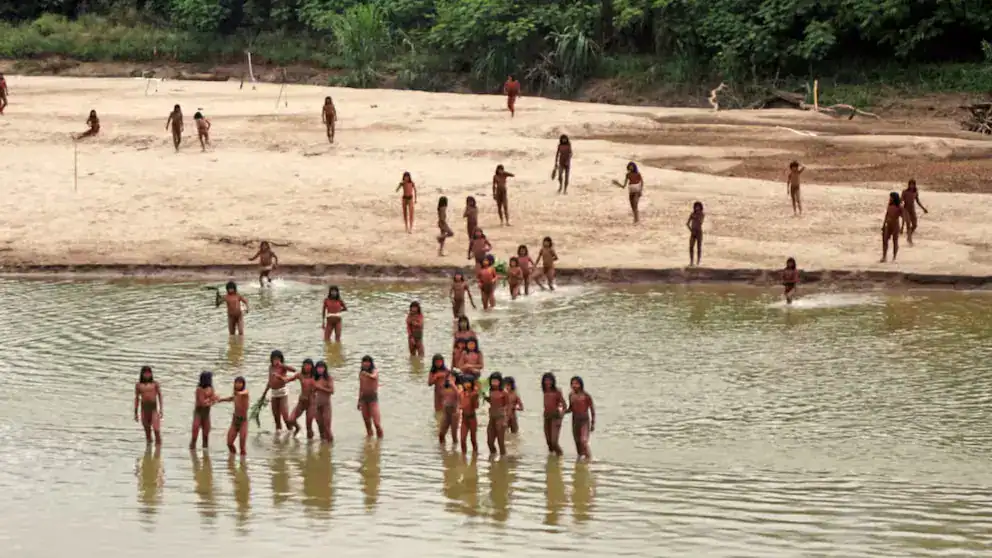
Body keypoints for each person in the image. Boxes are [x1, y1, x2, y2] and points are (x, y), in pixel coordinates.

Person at [259, 350, 298, 434]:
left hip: (282, 393)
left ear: (281, 359)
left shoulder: (283, 367)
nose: (276, 360)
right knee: (276, 417)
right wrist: (264, 393)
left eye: (278, 359)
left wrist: (282, 365)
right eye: (274, 359)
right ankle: (278, 436)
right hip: (274, 393)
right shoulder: (270, 367)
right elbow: (270, 381)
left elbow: (294, 370)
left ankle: (292, 431)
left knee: (285, 417)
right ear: (271, 359)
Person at [216, 376, 250, 455]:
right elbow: (230, 398)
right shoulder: (235, 394)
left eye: (240, 383)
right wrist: (221, 400)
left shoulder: (245, 393)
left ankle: (243, 461)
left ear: (243, 384)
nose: (238, 384)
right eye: (236, 383)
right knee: (229, 443)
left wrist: (239, 393)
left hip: (243, 422)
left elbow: (245, 392)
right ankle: (232, 457)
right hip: (235, 421)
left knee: (242, 447)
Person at [565, 376, 595, 459]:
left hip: (584, 421)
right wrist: (562, 412)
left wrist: (593, 423)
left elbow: (592, 410)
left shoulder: (586, 396)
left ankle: (589, 459)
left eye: (576, 383)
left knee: (583, 441)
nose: (574, 385)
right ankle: (580, 462)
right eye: (572, 384)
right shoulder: (571, 395)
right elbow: (571, 408)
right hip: (575, 421)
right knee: (578, 443)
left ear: (581, 384)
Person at [134, 366, 163, 446]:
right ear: (142, 374)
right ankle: (148, 450)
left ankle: (158, 449)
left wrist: (161, 409)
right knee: (147, 432)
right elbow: (137, 398)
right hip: (144, 410)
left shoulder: (155, 384)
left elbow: (160, 396)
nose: (147, 375)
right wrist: (135, 412)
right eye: (145, 373)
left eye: (149, 373)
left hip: (154, 410)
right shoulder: (139, 385)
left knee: (156, 430)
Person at [288, 359, 317, 439]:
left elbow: (323, 385)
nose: (307, 367)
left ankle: (310, 444)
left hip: (311, 403)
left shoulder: (315, 376)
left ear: (312, 367)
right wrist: (280, 378)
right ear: (303, 366)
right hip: (302, 402)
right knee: (291, 420)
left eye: (309, 365)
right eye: (305, 365)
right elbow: (288, 379)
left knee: (309, 426)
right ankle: (298, 428)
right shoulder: (300, 375)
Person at [190, 371, 217, 450]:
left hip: (206, 414)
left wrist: (213, 400)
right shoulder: (199, 389)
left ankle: (205, 453)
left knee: (206, 436)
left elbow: (213, 400)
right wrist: (212, 399)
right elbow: (202, 403)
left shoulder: (211, 388)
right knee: (195, 435)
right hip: (198, 413)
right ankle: (192, 451)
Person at [358, 356, 383, 438]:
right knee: (367, 423)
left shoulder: (374, 371)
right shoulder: (361, 373)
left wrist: (367, 374)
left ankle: (380, 441)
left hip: (373, 399)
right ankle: (369, 441)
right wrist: (359, 401)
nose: (366, 363)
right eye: (364, 362)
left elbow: (374, 376)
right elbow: (361, 387)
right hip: (364, 399)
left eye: (368, 362)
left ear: (371, 363)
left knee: (377, 423)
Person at [485, 373, 509, 456]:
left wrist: (506, 420)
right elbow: (492, 402)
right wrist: (485, 398)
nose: (494, 383)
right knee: (489, 441)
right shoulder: (490, 391)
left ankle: (503, 459)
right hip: (492, 417)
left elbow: (508, 406)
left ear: (500, 382)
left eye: (496, 381)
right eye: (493, 381)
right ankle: (493, 456)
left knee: (500, 442)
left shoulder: (504, 393)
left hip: (500, 418)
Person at [541, 373, 566, 455]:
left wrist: (561, 417)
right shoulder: (545, 390)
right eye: (546, 380)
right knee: (549, 442)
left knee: (554, 442)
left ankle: (561, 456)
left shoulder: (557, 392)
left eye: (549, 380)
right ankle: (552, 459)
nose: (548, 382)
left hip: (555, 417)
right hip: (546, 417)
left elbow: (564, 406)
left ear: (553, 381)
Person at [901, 179, 929, 246]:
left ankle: (909, 235)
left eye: (913, 184)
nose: (911, 186)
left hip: (912, 210)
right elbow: (901, 200)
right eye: (910, 184)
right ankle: (910, 239)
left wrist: (923, 208)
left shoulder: (915, 192)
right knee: (908, 223)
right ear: (909, 185)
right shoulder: (905, 192)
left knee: (915, 225)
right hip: (906, 209)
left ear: (914, 185)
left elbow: (918, 201)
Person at [458, 373, 480, 454]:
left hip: (472, 419)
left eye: (468, 382)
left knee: (473, 439)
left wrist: (474, 398)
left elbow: (476, 407)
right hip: (464, 419)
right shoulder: (461, 393)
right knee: (462, 439)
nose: (466, 384)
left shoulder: (474, 394)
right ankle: (463, 457)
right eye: (465, 382)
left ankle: (475, 455)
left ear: (471, 384)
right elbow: (460, 404)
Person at [313, 361, 335, 442]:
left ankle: (330, 445)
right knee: (320, 427)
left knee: (327, 427)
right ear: (316, 369)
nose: (320, 369)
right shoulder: (314, 378)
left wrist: (320, 388)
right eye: (318, 368)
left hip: (326, 405)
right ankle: (323, 445)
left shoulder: (328, 378)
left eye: (322, 368)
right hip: (316, 405)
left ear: (325, 369)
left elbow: (332, 391)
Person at [437, 371, 460, 446]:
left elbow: (459, 396)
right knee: (441, 434)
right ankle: (442, 449)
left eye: (452, 377)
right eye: (449, 377)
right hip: (446, 411)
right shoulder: (445, 386)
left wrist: (453, 385)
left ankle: (455, 450)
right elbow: (441, 395)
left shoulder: (458, 387)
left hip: (454, 412)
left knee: (454, 436)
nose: (450, 378)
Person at [881, 191, 903, 263]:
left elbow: (903, 217)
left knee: (895, 241)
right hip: (888, 224)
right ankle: (884, 257)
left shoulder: (899, 206)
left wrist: (902, 227)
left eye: (891, 197)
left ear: (894, 198)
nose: (890, 198)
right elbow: (886, 215)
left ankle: (894, 257)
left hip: (895, 225)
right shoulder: (889, 205)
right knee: (885, 240)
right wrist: (883, 224)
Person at [686, 201, 705, 266]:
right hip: (693, 232)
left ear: (700, 207)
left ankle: (698, 262)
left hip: (699, 232)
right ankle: (691, 261)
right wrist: (691, 230)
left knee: (699, 247)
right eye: (696, 206)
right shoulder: (692, 214)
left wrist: (695, 216)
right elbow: (687, 223)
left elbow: (701, 222)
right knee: (691, 247)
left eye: (698, 206)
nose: (697, 208)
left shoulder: (702, 214)